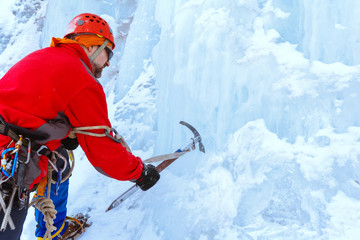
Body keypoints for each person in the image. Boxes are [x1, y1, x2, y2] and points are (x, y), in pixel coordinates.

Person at [0, 13, 160, 240]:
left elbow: (26, 106)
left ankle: (53, 230)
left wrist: (59, 131)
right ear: (93, 45)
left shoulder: (43, 56)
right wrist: (139, 173)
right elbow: (103, 149)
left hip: (8, 144)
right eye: (108, 53)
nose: (107, 63)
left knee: (60, 159)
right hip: (7, 165)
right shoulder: (81, 78)